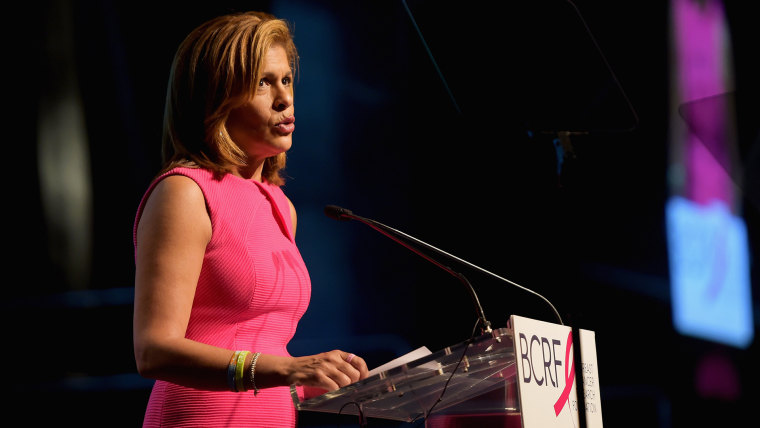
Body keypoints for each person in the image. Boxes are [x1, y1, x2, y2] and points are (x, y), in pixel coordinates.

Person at [132, 11, 369, 427]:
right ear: (216, 97)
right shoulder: (185, 193)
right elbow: (153, 350)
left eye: (286, 80)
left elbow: (262, 352)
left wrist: (324, 377)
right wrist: (287, 369)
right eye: (262, 82)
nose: (284, 99)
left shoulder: (280, 205)